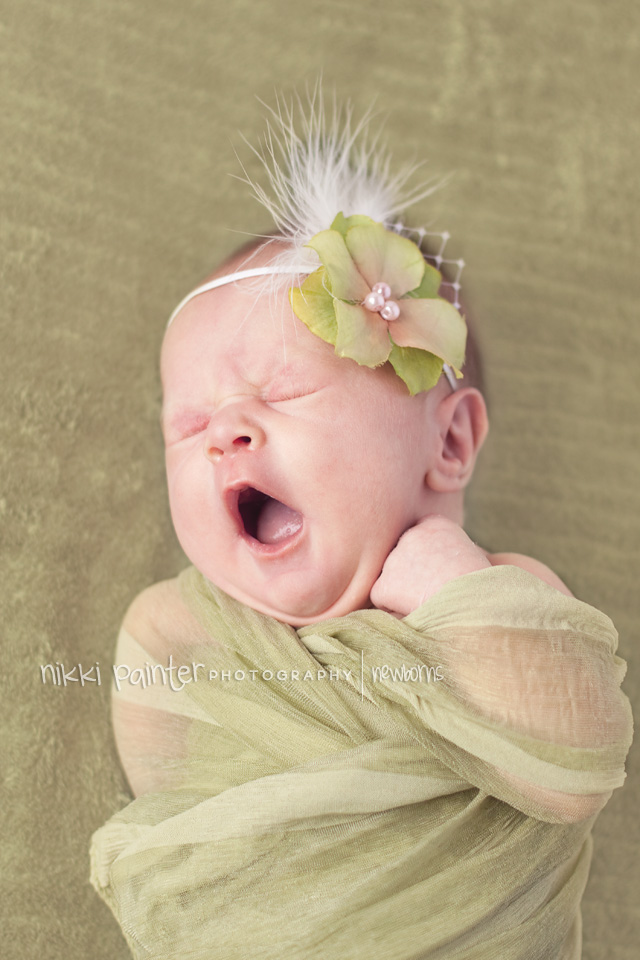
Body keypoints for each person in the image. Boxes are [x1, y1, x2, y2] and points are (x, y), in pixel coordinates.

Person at [90, 95, 633, 959]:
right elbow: (179, 839)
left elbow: (578, 764)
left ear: (448, 442)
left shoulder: (509, 598)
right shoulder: (175, 632)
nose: (225, 432)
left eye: (284, 392)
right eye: (187, 426)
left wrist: (456, 585)